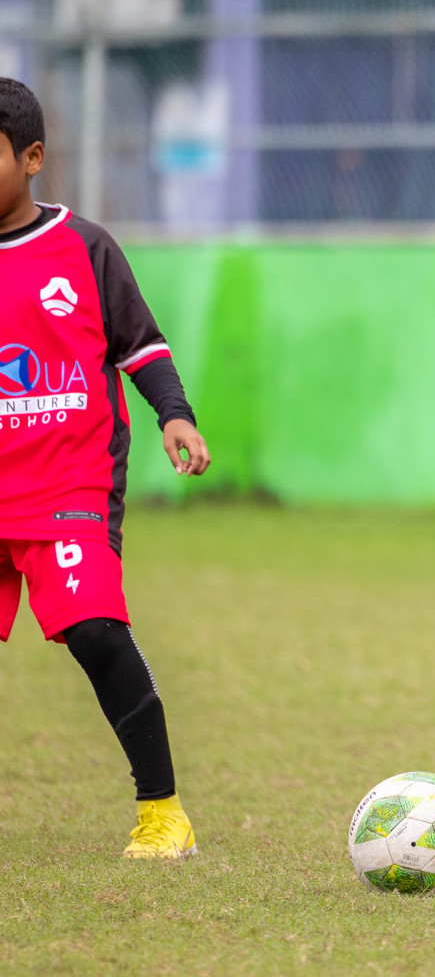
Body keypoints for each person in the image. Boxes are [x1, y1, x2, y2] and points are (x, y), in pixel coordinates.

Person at [0, 78, 209, 858]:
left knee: (95, 632)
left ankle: (162, 812)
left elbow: (140, 346)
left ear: (32, 158)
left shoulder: (83, 248)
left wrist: (176, 414)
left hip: (67, 486)